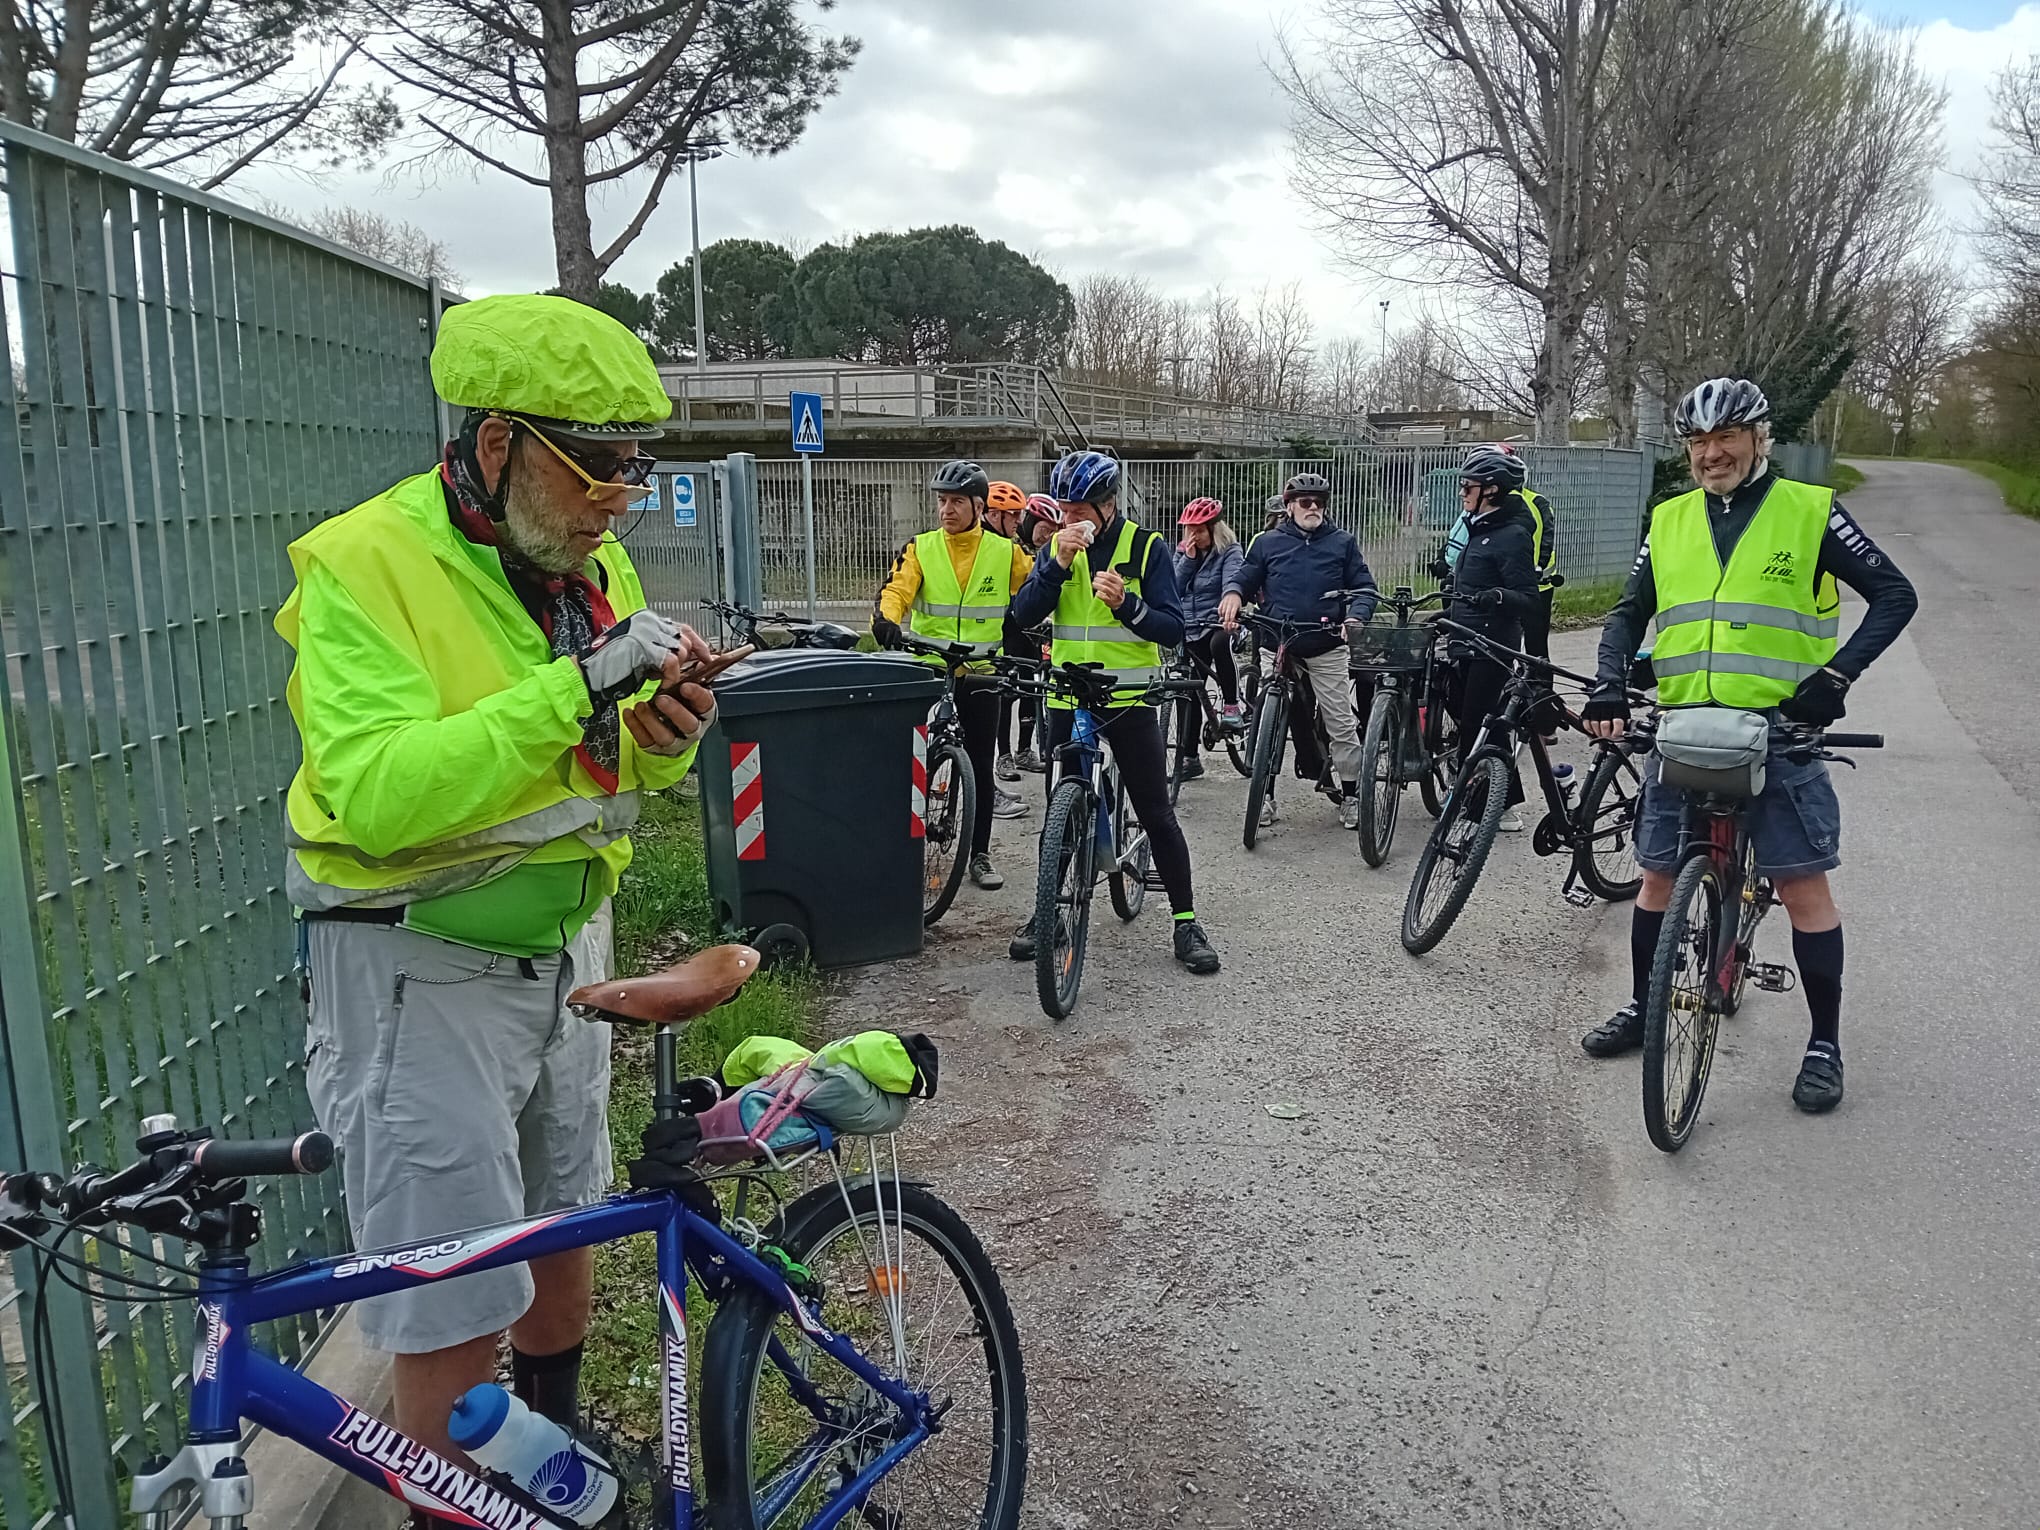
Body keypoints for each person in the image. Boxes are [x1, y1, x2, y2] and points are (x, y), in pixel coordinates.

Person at [275, 293, 716, 1510]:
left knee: (563, 1240)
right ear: (494, 445)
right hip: (422, 974)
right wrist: (575, 691)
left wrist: (665, 736)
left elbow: (610, 762)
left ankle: (557, 1480)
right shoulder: (365, 563)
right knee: (453, 1308)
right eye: (593, 473)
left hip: (566, 950)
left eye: (632, 472)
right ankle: (462, 1506)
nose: (613, 504)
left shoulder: (588, 558)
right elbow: (376, 794)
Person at [1578, 377, 1917, 1113]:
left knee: (1802, 891)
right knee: (1658, 881)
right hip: (1686, 730)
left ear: (1760, 439)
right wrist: (1609, 684)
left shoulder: (1810, 511)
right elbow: (1628, 612)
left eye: (1725, 437)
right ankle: (1646, 1005)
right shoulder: (1668, 519)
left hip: (1781, 736)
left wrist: (1836, 677)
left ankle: (1824, 1043)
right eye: (1699, 441)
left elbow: (1896, 595)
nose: (1711, 453)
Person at [1006, 450, 1221, 974]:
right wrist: (1054, 567)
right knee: (1060, 810)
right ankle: (1048, 912)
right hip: (1067, 697)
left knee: (1154, 810)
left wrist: (1129, 606)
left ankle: (1186, 921)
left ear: (1107, 504)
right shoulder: (1057, 547)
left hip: (1128, 699)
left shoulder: (1144, 547)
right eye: (1062, 507)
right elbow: (1022, 616)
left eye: (1078, 507)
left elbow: (1173, 629)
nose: (1068, 517)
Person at [873, 460, 1037, 877]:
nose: (946, 509)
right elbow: (897, 588)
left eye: (957, 502)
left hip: (982, 671)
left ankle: (979, 854)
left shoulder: (1006, 552)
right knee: (911, 762)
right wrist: (887, 619)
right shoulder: (922, 547)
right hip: (929, 668)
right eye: (942, 501)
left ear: (978, 507)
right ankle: (900, 848)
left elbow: (1038, 590)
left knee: (981, 765)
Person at [1218, 472, 1378, 829]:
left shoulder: (1342, 543)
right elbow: (1246, 576)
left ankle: (1351, 794)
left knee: (1340, 721)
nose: (1314, 508)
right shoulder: (1268, 543)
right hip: (1279, 642)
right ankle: (1265, 796)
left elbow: (1364, 587)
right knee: (1269, 719)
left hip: (1325, 644)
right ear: (1289, 506)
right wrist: (1232, 594)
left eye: (1320, 502)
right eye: (1305, 502)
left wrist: (1355, 618)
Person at [1440, 445, 1543, 831]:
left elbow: (1529, 599)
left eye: (1469, 487)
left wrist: (1498, 597)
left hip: (1492, 646)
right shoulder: (1477, 529)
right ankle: (1504, 799)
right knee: (1486, 722)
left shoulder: (1512, 535)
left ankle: (1474, 808)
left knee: (1475, 724)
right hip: (1464, 638)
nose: (1463, 493)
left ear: (1493, 491)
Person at [1173, 496, 1245, 779]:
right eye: (1189, 529)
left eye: (1199, 530)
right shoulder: (1183, 552)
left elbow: (1233, 583)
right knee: (1186, 689)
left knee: (1220, 643)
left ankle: (1231, 706)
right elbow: (1173, 587)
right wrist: (1188, 561)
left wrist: (1231, 602)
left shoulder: (1230, 551)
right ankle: (1189, 757)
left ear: (1214, 529)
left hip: (1219, 621)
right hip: (1189, 626)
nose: (1193, 535)